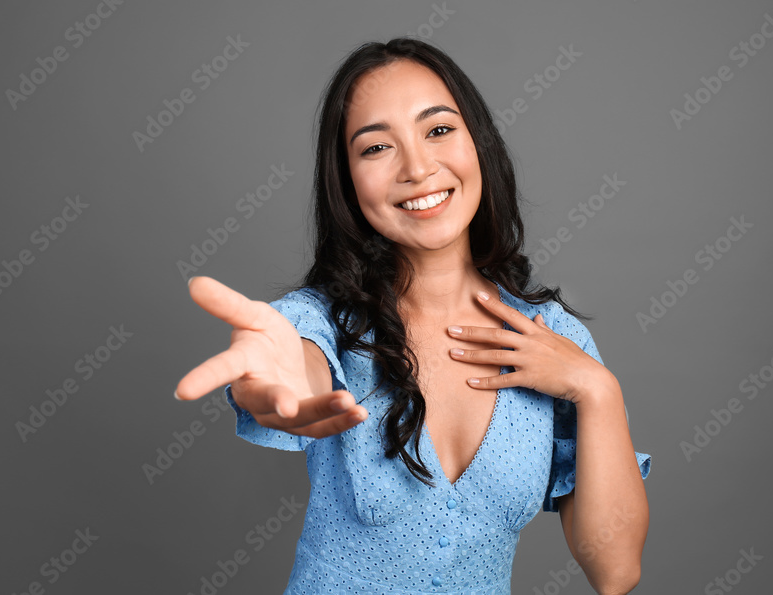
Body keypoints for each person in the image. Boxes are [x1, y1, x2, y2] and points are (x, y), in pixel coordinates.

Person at [175, 37, 652, 594]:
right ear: (347, 183)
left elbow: (615, 571)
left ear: (479, 145)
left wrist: (597, 390)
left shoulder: (554, 340)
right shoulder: (322, 320)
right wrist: (271, 378)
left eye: (439, 130)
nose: (418, 167)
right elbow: (291, 371)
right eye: (376, 148)